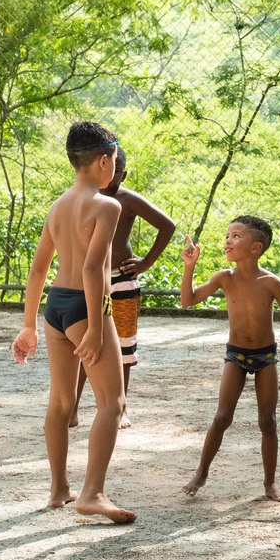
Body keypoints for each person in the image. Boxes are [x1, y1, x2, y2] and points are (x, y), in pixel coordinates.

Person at [11, 121, 135, 524]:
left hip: (55, 308)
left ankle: (58, 489)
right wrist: (97, 328)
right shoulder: (107, 206)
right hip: (85, 307)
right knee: (112, 403)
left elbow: (37, 270)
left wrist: (28, 325)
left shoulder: (58, 206)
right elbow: (93, 268)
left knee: (62, 401)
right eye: (114, 160)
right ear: (103, 161)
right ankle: (92, 493)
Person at [179, 215, 280, 501]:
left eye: (236, 236)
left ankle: (270, 484)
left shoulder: (271, 282)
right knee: (222, 417)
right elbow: (188, 300)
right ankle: (201, 472)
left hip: (266, 357)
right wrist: (189, 267)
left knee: (268, 421)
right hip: (236, 355)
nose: (228, 241)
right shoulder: (224, 278)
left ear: (255, 248)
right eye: (228, 235)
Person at [69, 146, 176, 430]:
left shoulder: (127, 200)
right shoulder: (85, 198)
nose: (107, 174)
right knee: (84, 344)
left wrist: (146, 262)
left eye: (115, 170)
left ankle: (120, 407)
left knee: (123, 346)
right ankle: (72, 408)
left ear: (122, 174)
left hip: (122, 280)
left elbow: (167, 226)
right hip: (90, 282)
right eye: (103, 167)